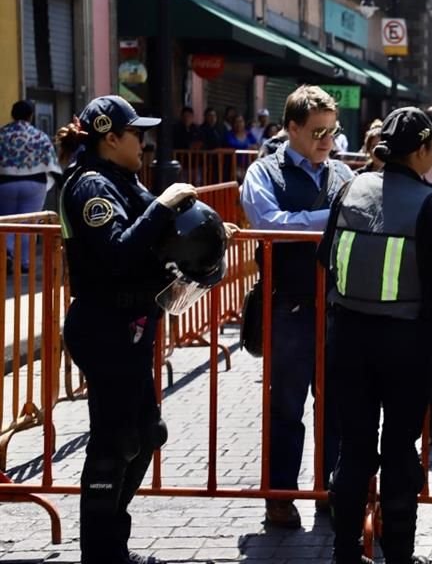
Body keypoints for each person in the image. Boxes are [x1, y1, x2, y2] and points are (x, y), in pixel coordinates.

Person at [319, 107, 432, 564]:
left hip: (348, 339)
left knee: (354, 451)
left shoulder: (350, 190)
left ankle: (345, 553)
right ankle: (398, 555)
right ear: (421, 151)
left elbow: (325, 258)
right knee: (399, 452)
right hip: (406, 346)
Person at [59, 95, 230, 564]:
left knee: (145, 434)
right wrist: (165, 203)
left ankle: (113, 544)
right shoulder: (91, 186)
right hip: (103, 327)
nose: (144, 143)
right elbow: (119, 251)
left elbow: (157, 241)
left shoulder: (122, 179)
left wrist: (202, 235)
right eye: (136, 134)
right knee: (114, 444)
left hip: (130, 326)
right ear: (110, 138)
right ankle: (101, 553)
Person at [240, 85, 354, 529]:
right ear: (292, 128)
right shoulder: (264, 172)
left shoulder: (342, 173)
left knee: (337, 405)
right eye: (317, 132)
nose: (327, 140)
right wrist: (332, 219)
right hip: (290, 306)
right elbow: (268, 222)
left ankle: (331, 490)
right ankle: (281, 495)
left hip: (337, 306)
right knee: (286, 406)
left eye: (332, 131)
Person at [0, 100, 60, 270]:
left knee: (5, 223)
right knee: (28, 224)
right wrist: (63, 185)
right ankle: (24, 263)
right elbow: (52, 165)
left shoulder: (2, 134)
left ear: (12, 115)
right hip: (34, 184)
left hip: (5, 184)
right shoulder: (39, 136)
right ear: (31, 116)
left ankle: (7, 253)